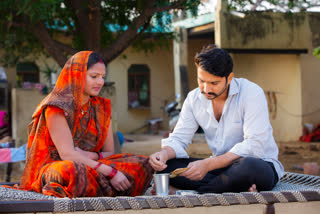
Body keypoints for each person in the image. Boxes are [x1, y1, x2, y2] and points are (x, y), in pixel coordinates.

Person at [15, 51, 153, 198]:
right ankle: (106, 188)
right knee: (70, 171)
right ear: (76, 75)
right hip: (60, 166)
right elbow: (67, 154)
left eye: (102, 77)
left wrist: (89, 155)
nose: (100, 82)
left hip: (94, 165)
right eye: (94, 76)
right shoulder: (56, 107)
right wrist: (111, 172)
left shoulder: (101, 108)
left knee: (142, 163)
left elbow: (110, 152)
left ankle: (94, 188)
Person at [149, 45, 284, 194]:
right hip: (219, 170)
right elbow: (179, 138)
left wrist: (207, 164)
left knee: (248, 168)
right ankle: (231, 188)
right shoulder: (194, 99)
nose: (206, 89)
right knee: (167, 166)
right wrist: (163, 155)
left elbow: (254, 145)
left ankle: (190, 194)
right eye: (201, 81)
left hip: (257, 165)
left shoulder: (251, 93)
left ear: (229, 78)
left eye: (214, 83)